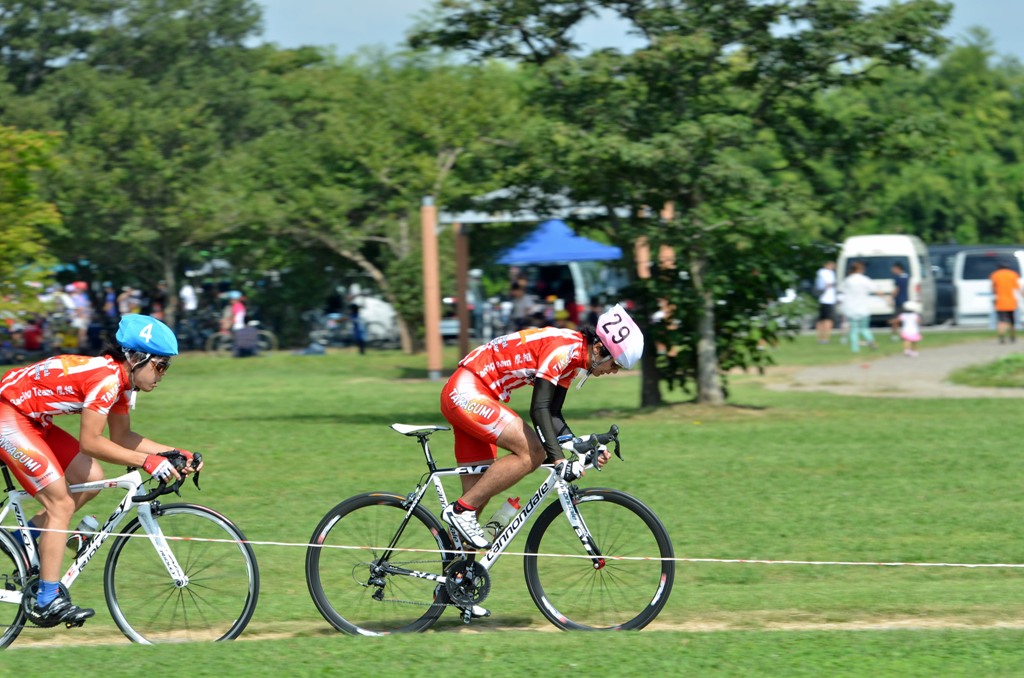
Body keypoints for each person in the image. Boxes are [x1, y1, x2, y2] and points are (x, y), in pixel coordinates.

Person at [0, 314, 201, 627]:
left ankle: (24, 544)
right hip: (8, 415)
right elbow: (91, 443)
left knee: (93, 479)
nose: (162, 375)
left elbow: (123, 439)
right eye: (160, 366)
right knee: (61, 504)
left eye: (167, 367)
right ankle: (47, 600)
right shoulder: (107, 381)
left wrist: (173, 453)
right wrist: (148, 462)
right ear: (136, 358)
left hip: (33, 420)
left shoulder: (122, 383)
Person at [439, 303, 644, 560]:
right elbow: (539, 409)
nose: (613, 371)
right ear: (599, 348)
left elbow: (554, 416)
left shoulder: (574, 359)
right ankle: (459, 510)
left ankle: (456, 579)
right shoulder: (563, 349)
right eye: (614, 364)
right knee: (532, 453)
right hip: (467, 391)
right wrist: (558, 460)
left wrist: (584, 445)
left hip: (474, 394)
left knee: (479, 494)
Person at [840, 261, 878, 353]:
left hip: (850, 308)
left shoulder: (848, 280)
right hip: (863, 308)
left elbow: (841, 291)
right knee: (865, 328)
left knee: (854, 330)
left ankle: (855, 348)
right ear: (860, 269)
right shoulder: (865, 279)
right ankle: (871, 342)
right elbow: (875, 290)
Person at [990, 262, 1021, 344]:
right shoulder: (1013, 274)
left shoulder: (995, 274)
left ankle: (1001, 337)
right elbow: (1018, 288)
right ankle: (1012, 336)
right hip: (1011, 302)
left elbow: (993, 289)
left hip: (1000, 302)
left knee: (1001, 321)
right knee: (1012, 321)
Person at [814, 261, 837, 344]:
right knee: (827, 320)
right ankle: (825, 338)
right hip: (827, 299)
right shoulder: (825, 273)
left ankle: (821, 338)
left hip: (825, 299)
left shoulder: (822, 273)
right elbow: (822, 286)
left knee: (821, 320)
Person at [889, 262, 910, 340]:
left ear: (898, 268)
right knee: (905, 319)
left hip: (899, 301)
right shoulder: (906, 276)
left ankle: (894, 336)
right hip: (906, 300)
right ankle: (907, 334)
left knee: (895, 319)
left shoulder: (898, 278)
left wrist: (891, 298)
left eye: (893, 269)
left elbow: (897, 289)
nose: (892, 271)